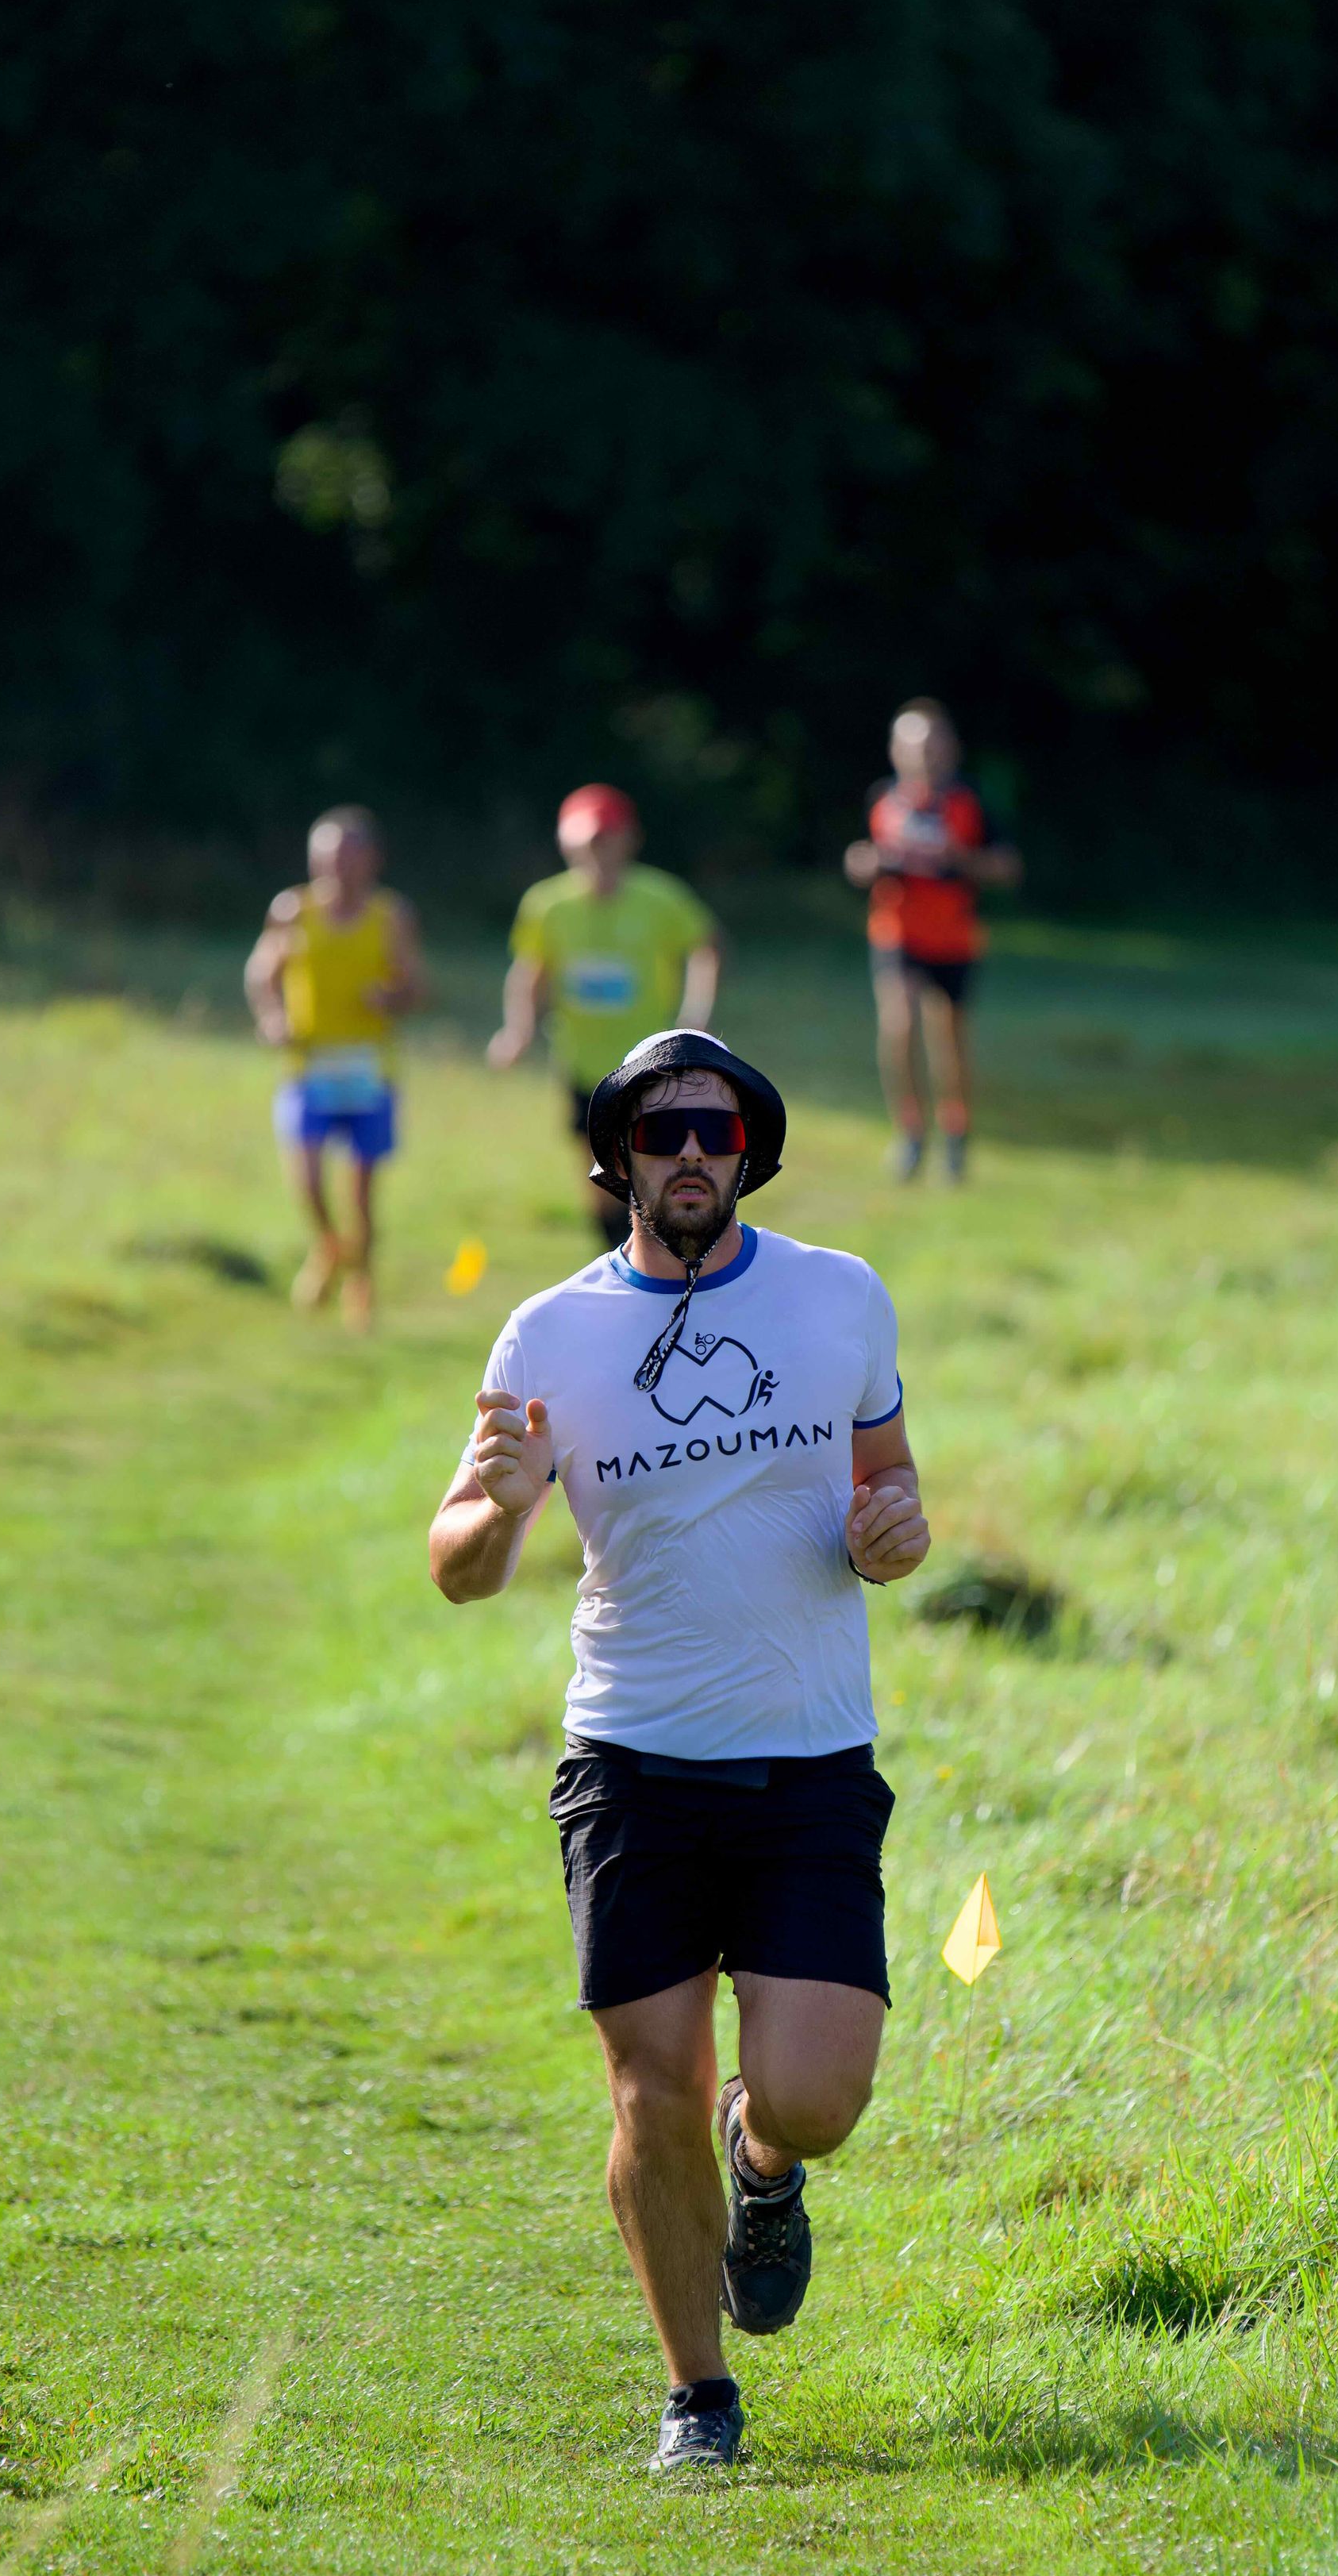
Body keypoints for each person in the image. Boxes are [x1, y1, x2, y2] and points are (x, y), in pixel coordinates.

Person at [427, 1029, 931, 2478]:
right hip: (632, 1764)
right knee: (649, 2090)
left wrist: (892, 1536)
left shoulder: (841, 1297)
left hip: (809, 1756)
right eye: (663, 1133)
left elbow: (889, 1492)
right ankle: (698, 2399)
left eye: (718, 1129)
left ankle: (762, 2159)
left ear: (750, 1152)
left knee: (819, 2098)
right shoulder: (548, 1334)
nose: (694, 1153)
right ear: (620, 1163)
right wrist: (498, 1506)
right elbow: (458, 1568)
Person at [488, 785, 721, 1252]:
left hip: (650, 1061)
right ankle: (613, 1250)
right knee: (595, 1162)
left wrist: (696, 1014)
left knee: (650, 1155)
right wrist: (518, 1030)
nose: (594, 853)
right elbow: (531, 970)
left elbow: (705, 948)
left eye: (604, 840)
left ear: (628, 839)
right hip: (582, 1061)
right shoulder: (548, 904)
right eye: (583, 842)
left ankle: (663, 1246)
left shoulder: (661, 897)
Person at [243, 807, 425, 1330]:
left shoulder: (390, 916)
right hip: (310, 1063)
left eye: (348, 855)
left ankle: (361, 1285)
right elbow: (262, 972)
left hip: (369, 1068)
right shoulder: (292, 911)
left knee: (361, 1193)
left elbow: (417, 987)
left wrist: (391, 997)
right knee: (306, 1177)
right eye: (326, 856)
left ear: (372, 859)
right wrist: (272, 1017)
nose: (336, 866)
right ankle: (329, 1246)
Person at [843, 699, 1021, 1180]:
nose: (924, 755)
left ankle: (956, 1133)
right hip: (897, 933)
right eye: (913, 745)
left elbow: (1007, 867)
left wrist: (958, 858)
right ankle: (911, 1133)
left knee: (950, 1041)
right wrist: (865, 864)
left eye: (933, 744)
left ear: (951, 748)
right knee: (898, 1025)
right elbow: (860, 856)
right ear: (895, 750)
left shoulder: (970, 800)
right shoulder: (883, 798)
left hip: (955, 938)